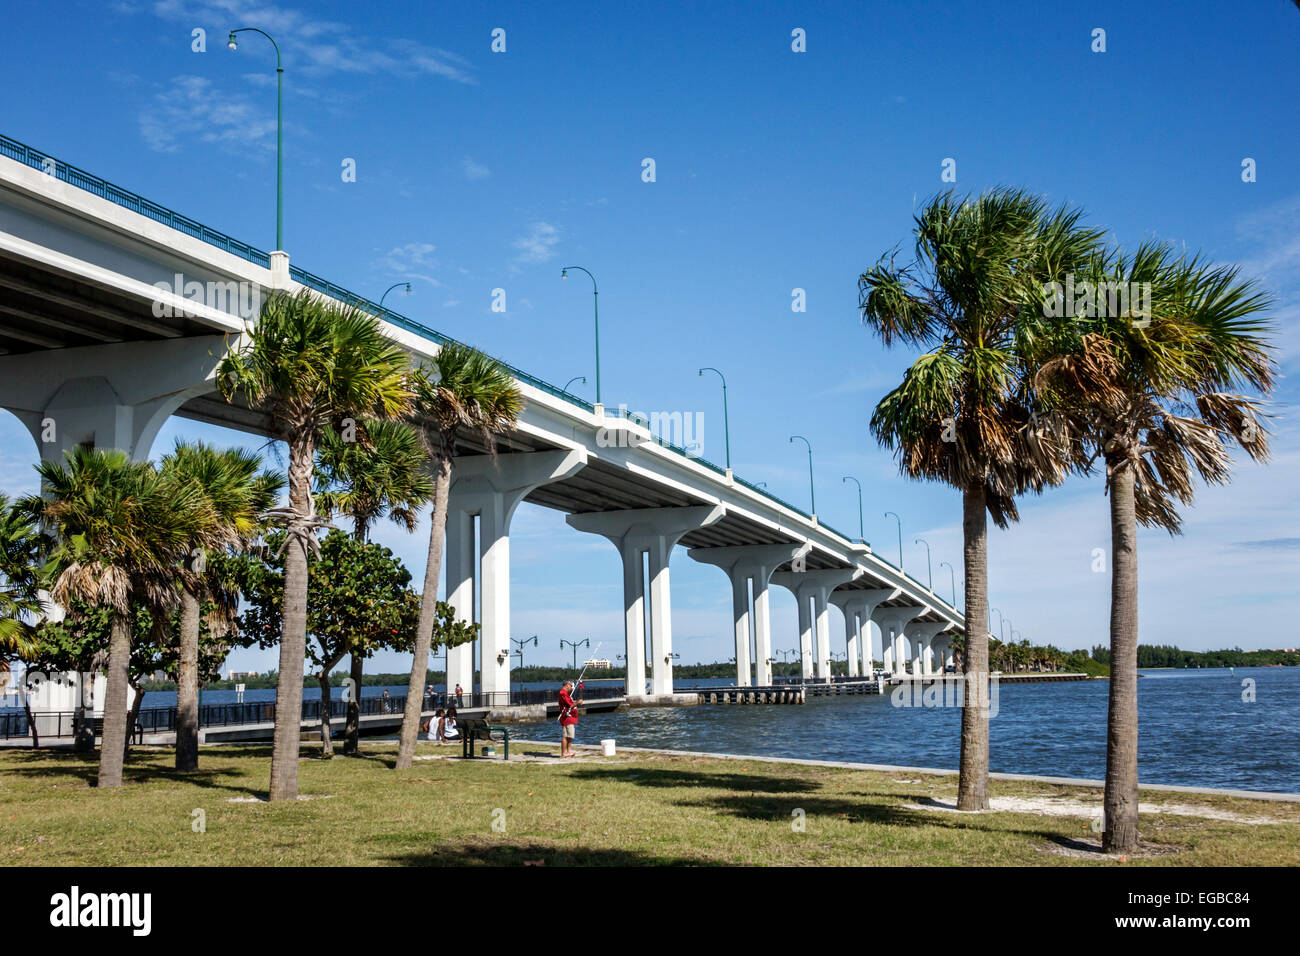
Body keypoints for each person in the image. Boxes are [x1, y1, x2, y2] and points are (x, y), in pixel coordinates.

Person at [557, 680, 583, 757]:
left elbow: (570, 704)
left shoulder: (565, 693)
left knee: (568, 736)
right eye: (571, 686)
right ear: (567, 685)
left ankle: (567, 752)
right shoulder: (563, 693)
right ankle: (565, 752)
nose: (571, 688)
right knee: (568, 735)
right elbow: (569, 705)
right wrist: (578, 702)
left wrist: (576, 704)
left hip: (569, 717)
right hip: (567, 718)